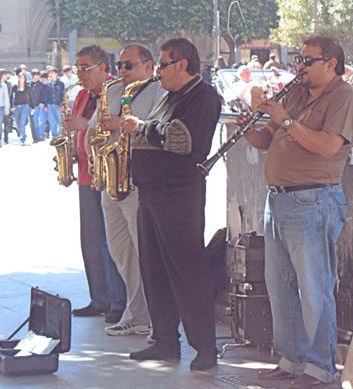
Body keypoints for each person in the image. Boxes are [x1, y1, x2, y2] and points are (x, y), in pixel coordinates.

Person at [238, 36, 353, 388]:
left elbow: (327, 146)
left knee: (314, 287)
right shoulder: (295, 93)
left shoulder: (344, 97)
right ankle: (291, 359)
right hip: (278, 200)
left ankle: (322, 368)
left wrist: (287, 120)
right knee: (280, 285)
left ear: (332, 64)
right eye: (299, 59)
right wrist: (248, 126)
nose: (300, 66)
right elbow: (266, 141)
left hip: (314, 200)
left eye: (308, 60)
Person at [121, 37, 221, 371]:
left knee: (187, 270)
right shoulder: (168, 96)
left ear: (182, 64)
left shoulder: (204, 97)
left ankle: (204, 347)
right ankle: (163, 340)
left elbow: (182, 140)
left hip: (179, 194)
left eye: (163, 64)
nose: (158, 71)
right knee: (155, 269)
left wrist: (140, 127)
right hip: (151, 193)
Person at [86, 43, 164, 337]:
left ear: (148, 65)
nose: (122, 71)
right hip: (112, 180)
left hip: (138, 180)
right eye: (119, 66)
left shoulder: (159, 91)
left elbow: (160, 128)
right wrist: (95, 145)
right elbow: (94, 129)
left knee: (145, 250)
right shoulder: (113, 91)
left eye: (128, 65)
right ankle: (136, 312)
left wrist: (124, 124)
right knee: (121, 252)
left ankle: (157, 318)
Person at [63, 45, 127, 324]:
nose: (80, 73)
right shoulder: (80, 95)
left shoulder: (117, 90)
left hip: (109, 173)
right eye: (77, 68)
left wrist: (82, 124)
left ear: (103, 68)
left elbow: (114, 125)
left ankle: (118, 300)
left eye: (85, 67)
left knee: (112, 242)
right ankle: (98, 298)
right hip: (86, 174)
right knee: (90, 241)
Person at [10, 72, 34, 145]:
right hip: (17, 106)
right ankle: (22, 134)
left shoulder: (28, 87)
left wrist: (32, 107)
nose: (21, 79)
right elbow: (11, 96)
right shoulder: (15, 87)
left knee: (22, 122)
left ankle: (22, 138)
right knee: (17, 123)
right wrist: (11, 106)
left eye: (23, 77)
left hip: (25, 106)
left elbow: (30, 97)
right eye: (20, 77)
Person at [44, 67, 64, 138]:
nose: (50, 75)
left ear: (56, 73)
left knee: (60, 122)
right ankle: (55, 137)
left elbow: (63, 94)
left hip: (58, 105)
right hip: (50, 105)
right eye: (49, 73)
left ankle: (61, 136)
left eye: (52, 73)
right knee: (52, 122)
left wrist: (62, 105)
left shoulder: (61, 84)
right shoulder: (47, 84)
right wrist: (45, 105)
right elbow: (45, 95)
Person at [29, 69, 47, 143]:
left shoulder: (41, 85)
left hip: (38, 105)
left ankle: (41, 135)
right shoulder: (28, 84)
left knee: (39, 120)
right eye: (35, 76)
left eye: (37, 76)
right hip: (30, 105)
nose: (36, 78)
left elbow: (44, 95)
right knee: (32, 122)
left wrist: (42, 102)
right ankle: (35, 136)